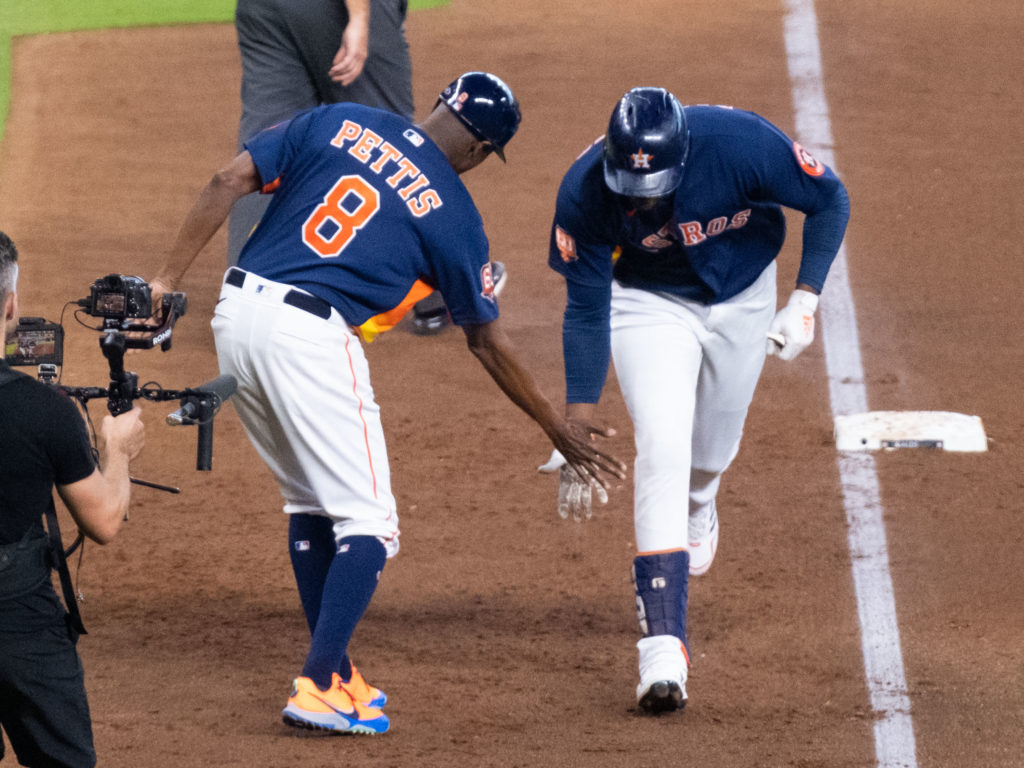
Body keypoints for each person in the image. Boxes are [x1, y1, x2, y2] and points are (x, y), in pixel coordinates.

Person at [148, 72, 625, 735]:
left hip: (236, 314)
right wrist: (553, 422)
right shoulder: (455, 214)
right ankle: (316, 687)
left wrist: (165, 279)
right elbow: (485, 341)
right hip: (310, 337)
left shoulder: (338, 119)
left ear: (439, 106)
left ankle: (336, 671)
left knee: (312, 502)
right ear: (483, 150)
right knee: (371, 523)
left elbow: (226, 181)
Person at [543, 88, 850, 714]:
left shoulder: (741, 145)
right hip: (646, 304)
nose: (641, 198)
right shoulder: (586, 190)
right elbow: (585, 306)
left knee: (711, 451)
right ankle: (662, 647)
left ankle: (702, 501)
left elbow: (829, 198)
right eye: (629, 182)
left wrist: (806, 299)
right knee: (663, 442)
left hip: (744, 295)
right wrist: (576, 420)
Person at [230, 0, 465, 335]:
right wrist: (358, 16)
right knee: (390, 142)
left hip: (264, 10)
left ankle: (243, 299)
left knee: (267, 149)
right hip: (333, 10)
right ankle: (435, 293)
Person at [0, 230, 146, 767]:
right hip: (16, 612)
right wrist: (117, 449)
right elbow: (104, 522)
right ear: (11, 306)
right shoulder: (46, 412)